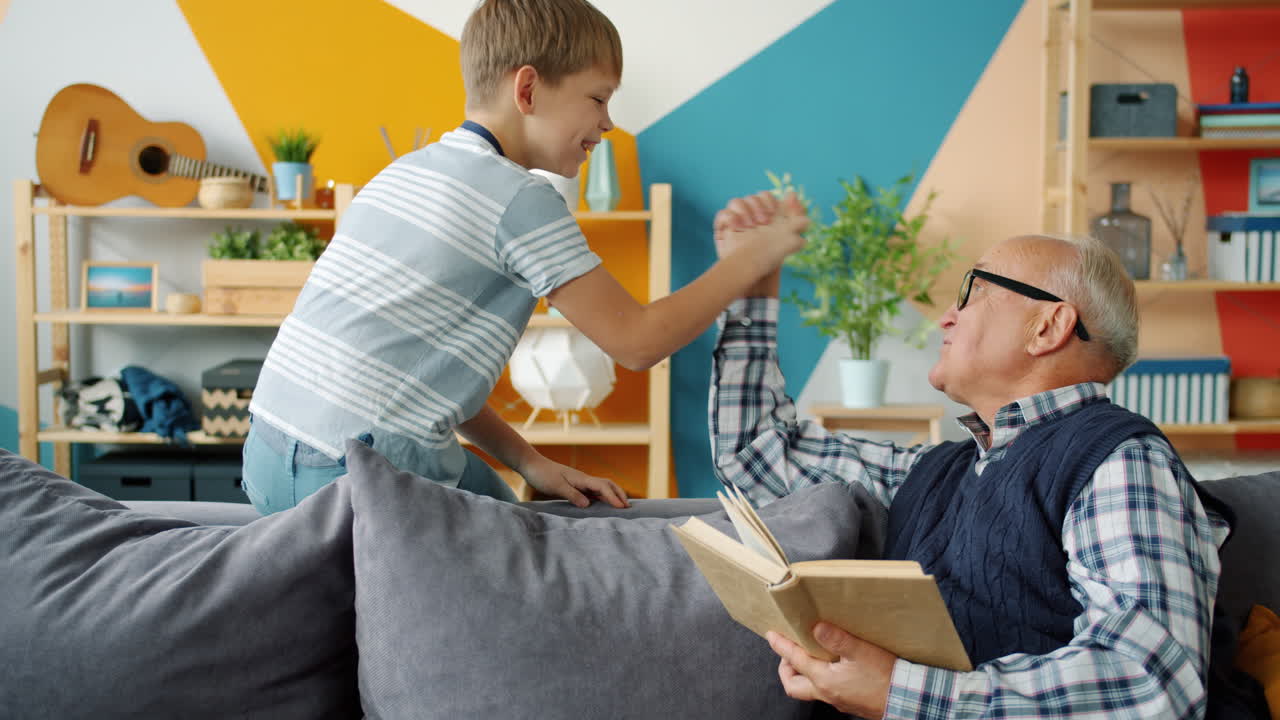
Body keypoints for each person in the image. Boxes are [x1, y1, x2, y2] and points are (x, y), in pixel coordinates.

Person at [241, 0, 808, 516]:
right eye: (598, 98)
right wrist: (751, 259)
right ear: (529, 89)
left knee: (500, 497)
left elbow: (425, 380)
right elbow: (637, 343)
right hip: (354, 475)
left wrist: (531, 462)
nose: (608, 123)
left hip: (267, 454)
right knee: (529, 545)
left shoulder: (406, 172)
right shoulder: (518, 197)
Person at [708, 192, 1232, 719]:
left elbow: (1151, 683)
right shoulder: (935, 471)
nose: (945, 319)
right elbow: (758, 453)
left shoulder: (1121, 461)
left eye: (973, 291)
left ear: (1048, 327)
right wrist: (750, 280)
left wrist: (896, 693)